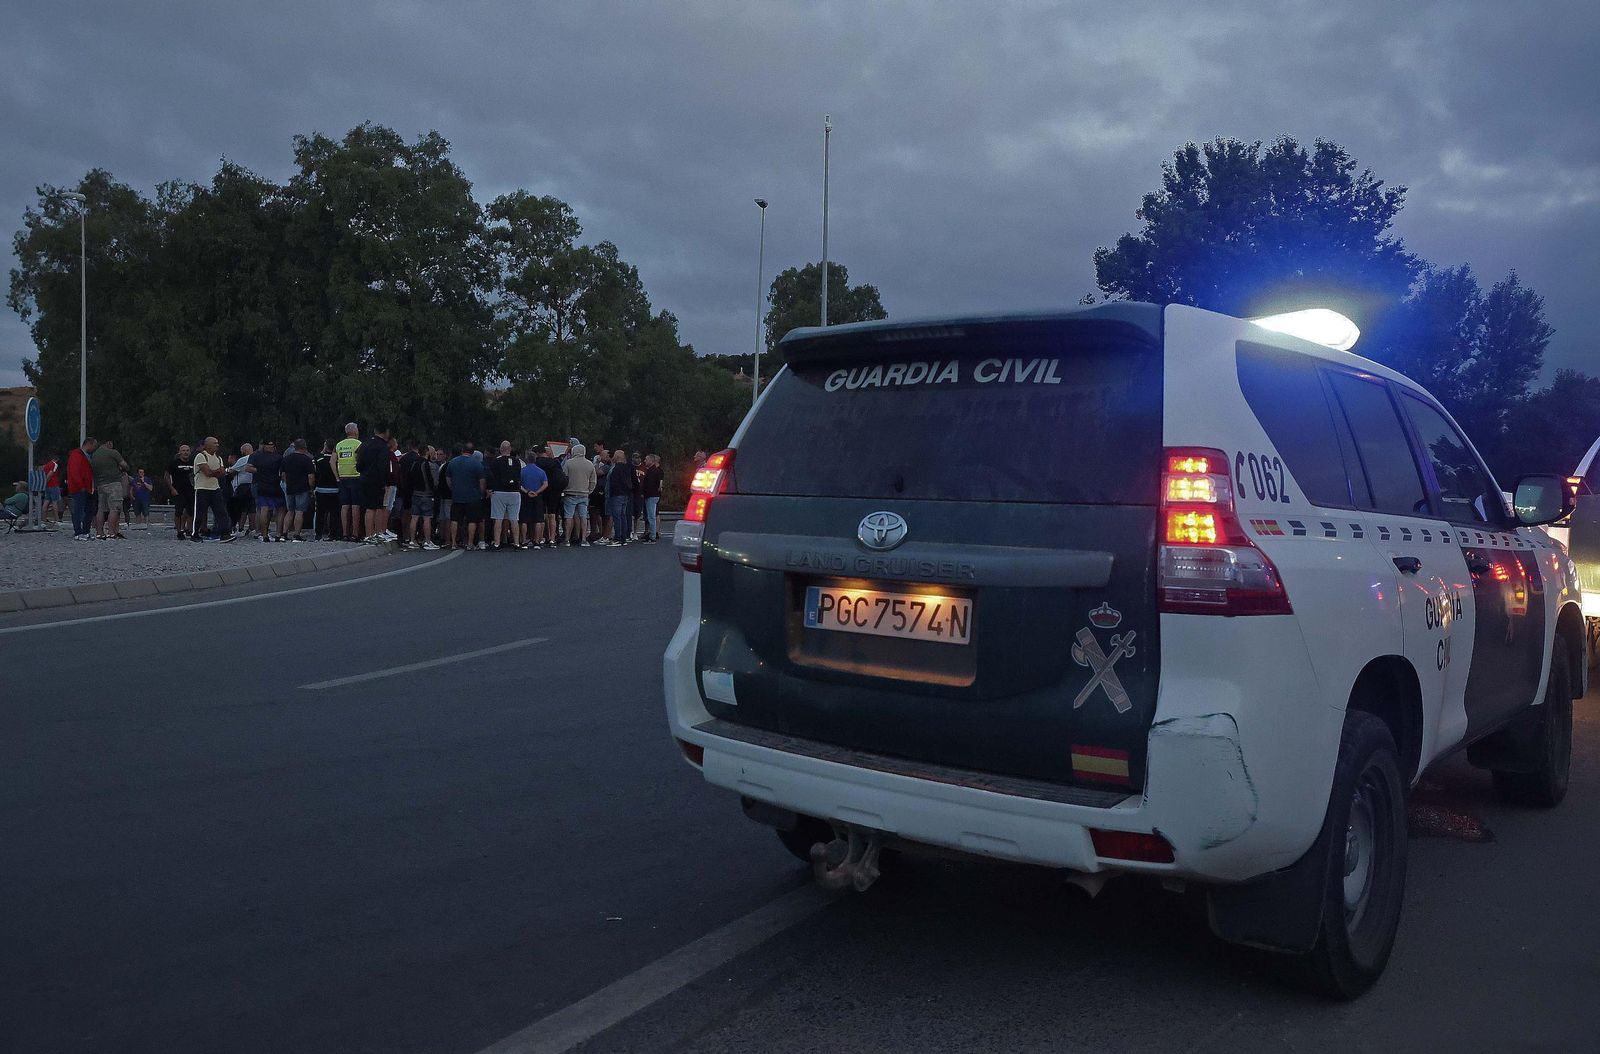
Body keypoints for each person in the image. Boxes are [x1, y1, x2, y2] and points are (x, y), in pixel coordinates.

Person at [443, 443, 487, 550]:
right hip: (473, 497)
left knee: (455, 519)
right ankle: (470, 543)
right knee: (472, 521)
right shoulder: (477, 464)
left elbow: (448, 479)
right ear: (472, 452)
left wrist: (453, 488)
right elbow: (482, 482)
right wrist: (481, 493)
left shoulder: (452, 463)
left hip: (457, 496)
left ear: (462, 450)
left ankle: (453, 543)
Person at [191, 436, 234, 542]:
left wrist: (216, 472)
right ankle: (195, 533)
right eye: (215, 443)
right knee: (200, 512)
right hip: (202, 488)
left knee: (221, 512)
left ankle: (225, 534)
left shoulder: (218, 458)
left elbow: (222, 472)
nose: (217, 445)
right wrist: (217, 471)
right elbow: (207, 472)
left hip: (215, 488)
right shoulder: (201, 456)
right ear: (208, 445)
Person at [355, 426, 393, 543]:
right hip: (378, 480)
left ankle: (368, 534)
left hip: (365, 478)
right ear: (386, 432)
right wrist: (386, 482)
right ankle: (377, 533)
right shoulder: (383, 447)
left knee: (369, 508)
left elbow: (359, 463)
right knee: (378, 508)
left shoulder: (365, 444)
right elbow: (384, 466)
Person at [90, 438, 130, 540]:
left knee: (101, 509)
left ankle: (99, 532)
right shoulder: (113, 453)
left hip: (100, 484)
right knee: (115, 508)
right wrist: (125, 469)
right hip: (113, 483)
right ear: (109, 443)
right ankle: (111, 532)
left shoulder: (94, 455)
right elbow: (124, 465)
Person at [486, 441, 522, 549]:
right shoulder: (517, 461)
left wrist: (489, 489)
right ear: (510, 449)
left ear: (501, 450)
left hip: (499, 492)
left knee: (498, 518)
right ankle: (516, 543)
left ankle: (497, 543)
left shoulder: (496, 462)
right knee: (514, 519)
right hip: (515, 492)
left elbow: (490, 476)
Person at [405, 444, 440, 551]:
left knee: (414, 517)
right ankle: (427, 541)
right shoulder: (427, 465)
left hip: (415, 493)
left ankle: (412, 540)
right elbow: (431, 481)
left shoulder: (414, 464)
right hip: (426, 494)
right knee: (427, 518)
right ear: (427, 453)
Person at [561, 443, 596, 547]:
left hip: (570, 493)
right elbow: (593, 481)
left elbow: (564, 477)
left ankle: (567, 539)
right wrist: (589, 490)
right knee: (583, 516)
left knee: (569, 516)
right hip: (584, 494)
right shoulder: (590, 464)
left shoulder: (568, 463)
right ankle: (584, 539)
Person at [280, 438, 315, 542]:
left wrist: (287, 483)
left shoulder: (286, 459)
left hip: (290, 487)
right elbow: (311, 477)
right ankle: (296, 534)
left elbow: (283, 474)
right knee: (299, 511)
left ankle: (284, 533)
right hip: (303, 488)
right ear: (305, 447)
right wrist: (311, 488)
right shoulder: (307, 460)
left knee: (290, 511)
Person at [335, 422, 362, 542]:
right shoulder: (358, 444)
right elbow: (361, 459)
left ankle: (345, 533)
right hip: (355, 477)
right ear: (355, 432)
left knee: (344, 506)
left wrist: (337, 476)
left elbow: (332, 461)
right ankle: (355, 534)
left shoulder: (339, 445)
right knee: (355, 506)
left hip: (342, 478)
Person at [66, 437, 98, 540]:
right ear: (88, 444)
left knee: (89, 510)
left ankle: (86, 531)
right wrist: (80, 486)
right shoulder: (76, 455)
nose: (94, 448)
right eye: (94, 446)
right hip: (80, 488)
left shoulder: (85, 456)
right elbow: (74, 472)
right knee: (78, 510)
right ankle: (78, 532)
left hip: (88, 488)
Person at [535, 444, 565, 548]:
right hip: (554, 490)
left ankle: (541, 538)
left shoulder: (537, 463)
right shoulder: (555, 462)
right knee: (552, 515)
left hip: (541, 490)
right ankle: (552, 538)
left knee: (542, 515)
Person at [518, 447, 548, 549]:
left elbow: (519, 484)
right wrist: (537, 491)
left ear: (527, 459)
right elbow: (545, 484)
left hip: (525, 496)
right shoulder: (541, 471)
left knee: (524, 520)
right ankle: (537, 541)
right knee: (538, 519)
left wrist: (527, 492)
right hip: (537, 496)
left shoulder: (522, 471)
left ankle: (524, 540)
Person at [605, 449, 634, 546]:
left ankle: (617, 538)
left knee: (617, 516)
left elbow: (613, 482)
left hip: (616, 494)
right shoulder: (627, 468)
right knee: (623, 516)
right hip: (625, 494)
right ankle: (623, 538)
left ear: (616, 458)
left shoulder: (616, 468)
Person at [313, 441, 340, 539]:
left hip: (321, 489)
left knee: (320, 512)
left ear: (325, 446)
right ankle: (333, 533)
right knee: (334, 513)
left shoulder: (318, 459)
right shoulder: (336, 461)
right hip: (334, 489)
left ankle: (318, 533)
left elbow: (314, 473)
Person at [166, 443, 194, 539]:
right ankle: (179, 531)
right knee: (179, 511)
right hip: (178, 491)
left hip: (191, 490)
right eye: (183, 450)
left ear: (190, 452)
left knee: (191, 511)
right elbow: (166, 476)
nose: (185, 452)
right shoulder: (174, 463)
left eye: (187, 450)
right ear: (179, 452)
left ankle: (189, 530)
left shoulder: (193, 462)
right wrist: (172, 488)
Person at [226, 443, 254, 536]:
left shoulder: (243, 459)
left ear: (244, 450)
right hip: (254, 485)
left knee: (242, 509)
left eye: (242, 451)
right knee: (253, 509)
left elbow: (232, 471)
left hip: (243, 487)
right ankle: (252, 528)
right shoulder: (257, 458)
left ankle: (240, 528)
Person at [589, 442, 610, 543]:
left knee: (603, 514)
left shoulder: (607, 466)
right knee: (594, 512)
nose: (600, 457)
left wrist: (596, 464)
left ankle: (603, 532)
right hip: (596, 491)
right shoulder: (599, 462)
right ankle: (595, 531)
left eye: (602, 456)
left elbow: (597, 472)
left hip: (602, 491)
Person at [641, 454, 663, 542]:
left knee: (651, 516)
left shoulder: (652, 472)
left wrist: (644, 493)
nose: (644, 461)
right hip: (654, 495)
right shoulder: (655, 471)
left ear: (651, 461)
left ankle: (652, 536)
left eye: (646, 459)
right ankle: (652, 534)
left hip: (651, 496)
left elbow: (650, 485)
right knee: (652, 515)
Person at [39, 453, 62, 526]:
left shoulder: (46, 465)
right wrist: (46, 481)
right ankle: (57, 519)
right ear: (56, 459)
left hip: (47, 486)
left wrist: (43, 484)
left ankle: (43, 519)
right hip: (53, 485)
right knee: (55, 502)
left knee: (46, 502)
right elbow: (51, 473)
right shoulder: (54, 464)